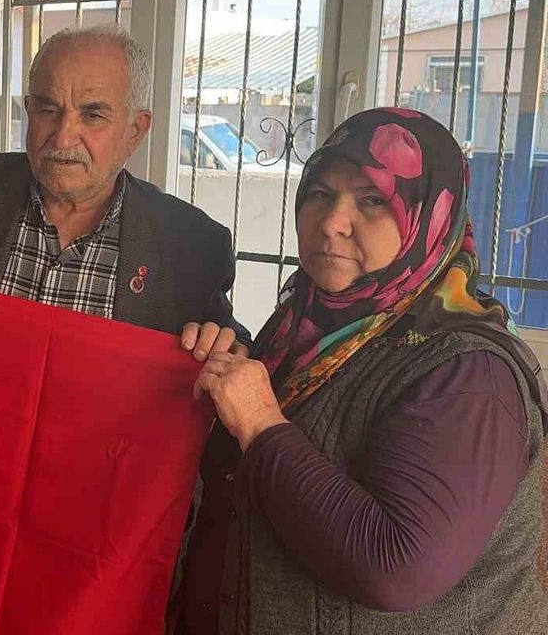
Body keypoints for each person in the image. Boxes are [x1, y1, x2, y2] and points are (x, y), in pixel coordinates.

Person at [175, 108, 548, 633]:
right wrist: (224, 368)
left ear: (429, 216)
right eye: (320, 193)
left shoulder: (469, 374)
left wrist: (260, 423)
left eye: (372, 200)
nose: (331, 222)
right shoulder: (306, 328)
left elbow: (396, 568)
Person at [0, 24, 244, 357]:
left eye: (93, 116)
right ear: (29, 110)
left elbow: (233, 347)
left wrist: (222, 348)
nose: (63, 138)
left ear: (135, 131)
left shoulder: (191, 244)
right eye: (48, 110)